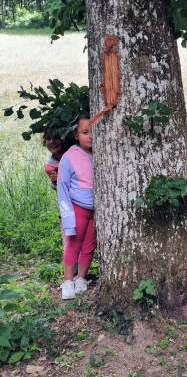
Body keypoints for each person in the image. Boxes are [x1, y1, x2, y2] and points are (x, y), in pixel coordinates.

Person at [57, 112, 95, 299]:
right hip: (77, 208)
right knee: (74, 244)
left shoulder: (102, 153)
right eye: (85, 132)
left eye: (94, 130)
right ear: (75, 134)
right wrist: (68, 218)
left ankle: (81, 278)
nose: (91, 135)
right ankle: (67, 281)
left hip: (96, 211)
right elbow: (62, 188)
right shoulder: (69, 157)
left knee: (89, 245)